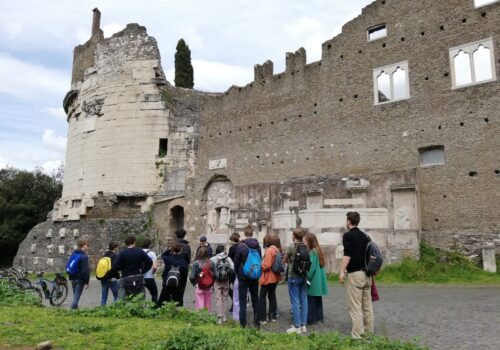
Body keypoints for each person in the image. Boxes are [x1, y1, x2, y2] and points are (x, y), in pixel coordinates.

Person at [339, 211, 373, 339]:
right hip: (367, 275)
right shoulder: (365, 236)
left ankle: (357, 336)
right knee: (367, 307)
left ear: (348, 221)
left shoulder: (347, 236)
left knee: (355, 307)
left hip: (355, 275)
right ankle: (369, 334)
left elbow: (347, 255)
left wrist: (342, 270)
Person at [233, 225, 262, 328]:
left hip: (243, 277)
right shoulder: (258, 246)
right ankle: (257, 322)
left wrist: (237, 273)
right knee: (255, 299)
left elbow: (236, 263)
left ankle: (243, 324)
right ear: (252, 233)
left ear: (244, 233)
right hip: (254, 276)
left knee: (242, 300)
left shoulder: (241, 246)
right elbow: (259, 260)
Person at [284, 228, 309, 334]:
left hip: (293, 276)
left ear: (294, 236)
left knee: (295, 301)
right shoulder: (305, 246)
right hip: (303, 276)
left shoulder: (291, 246)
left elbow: (284, 260)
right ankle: (303, 325)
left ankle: (297, 326)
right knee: (304, 299)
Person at [112, 236, 153, 300]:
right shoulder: (140, 251)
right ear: (134, 242)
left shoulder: (122, 253)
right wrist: (143, 270)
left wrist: (122, 269)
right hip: (138, 276)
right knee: (140, 299)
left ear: (126, 243)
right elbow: (149, 262)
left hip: (125, 277)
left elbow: (114, 266)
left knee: (123, 299)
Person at [162, 229, 191, 306]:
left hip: (170, 267)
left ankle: (167, 304)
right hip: (182, 268)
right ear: (184, 235)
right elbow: (188, 260)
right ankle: (178, 304)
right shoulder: (186, 246)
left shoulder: (172, 244)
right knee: (180, 288)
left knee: (168, 285)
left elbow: (165, 255)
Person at [305, 232, 328, 325]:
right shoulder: (318, 250)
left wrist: (308, 278)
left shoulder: (312, 252)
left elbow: (312, 267)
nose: (305, 242)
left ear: (310, 241)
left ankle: (311, 319)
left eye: (306, 240)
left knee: (311, 300)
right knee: (318, 300)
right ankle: (319, 318)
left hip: (314, 280)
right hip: (319, 281)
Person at [258, 235, 281, 324]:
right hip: (275, 277)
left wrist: (261, 265)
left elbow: (267, 265)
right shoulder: (276, 249)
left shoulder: (269, 250)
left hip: (268, 277)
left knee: (262, 297)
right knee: (272, 296)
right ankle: (273, 316)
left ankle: (263, 318)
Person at [157, 242, 188, 307]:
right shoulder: (183, 261)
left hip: (167, 282)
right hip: (178, 283)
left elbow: (163, 255)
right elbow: (184, 275)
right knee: (177, 301)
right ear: (181, 250)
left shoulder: (168, 259)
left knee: (163, 300)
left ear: (172, 250)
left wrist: (169, 249)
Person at [210, 245, 235, 324]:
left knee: (218, 299)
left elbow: (208, 268)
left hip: (217, 281)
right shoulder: (227, 258)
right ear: (223, 250)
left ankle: (219, 317)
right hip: (226, 281)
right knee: (225, 298)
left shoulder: (213, 259)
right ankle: (224, 316)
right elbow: (233, 268)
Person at [189, 246, 215, 311]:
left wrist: (195, 284)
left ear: (198, 253)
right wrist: (212, 284)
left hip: (199, 285)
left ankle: (200, 317)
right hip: (209, 286)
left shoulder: (196, 263)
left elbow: (192, 276)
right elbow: (215, 275)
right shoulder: (211, 263)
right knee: (207, 303)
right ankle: (207, 317)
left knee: (200, 302)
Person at [68, 240, 90, 310]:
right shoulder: (84, 256)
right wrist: (86, 281)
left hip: (73, 278)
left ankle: (75, 311)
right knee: (76, 298)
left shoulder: (74, 254)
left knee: (75, 296)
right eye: (87, 245)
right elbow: (85, 270)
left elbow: (70, 265)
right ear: (83, 246)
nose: (88, 246)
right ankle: (71, 312)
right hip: (80, 279)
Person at [100, 241, 120, 306]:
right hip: (112, 279)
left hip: (104, 278)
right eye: (117, 247)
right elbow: (116, 267)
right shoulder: (115, 256)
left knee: (104, 297)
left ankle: (102, 310)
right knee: (117, 296)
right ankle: (116, 310)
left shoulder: (104, 256)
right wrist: (118, 276)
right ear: (115, 248)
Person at [228, 232, 241, 320]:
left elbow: (229, 259)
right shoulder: (241, 247)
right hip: (239, 270)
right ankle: (235, 306)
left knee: (227, 286)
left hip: (232, 270)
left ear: (232, 240)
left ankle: (234, 304)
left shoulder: (232, 248)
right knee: (236, 289)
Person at [142, 239, 158, 303]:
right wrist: (152, 273)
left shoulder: (138, 252)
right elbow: (154, 267)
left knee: (138, 295)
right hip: (149, 277)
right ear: (149, 245)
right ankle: (153, 309)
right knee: (154, 294)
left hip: (138, 277)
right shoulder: (152, 254)